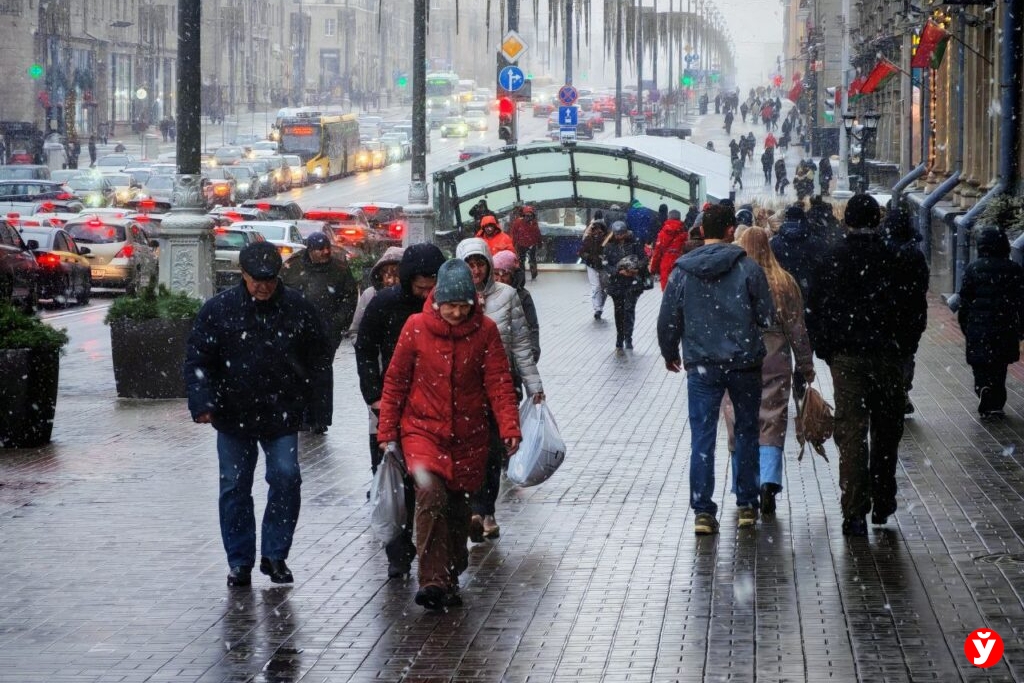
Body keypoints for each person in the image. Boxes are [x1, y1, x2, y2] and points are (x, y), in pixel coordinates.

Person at [184, 241, 334, 587]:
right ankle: (240, 561)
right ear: (243, 275)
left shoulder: (297, 308)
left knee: (286, 478)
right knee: (235, 486)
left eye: (269, 280)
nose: (263, 287)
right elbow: (198, 358)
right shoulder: (220, 310)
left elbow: (318, 359)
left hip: (281, 411)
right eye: (256, 280)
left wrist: (317, 408)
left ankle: (275, 554)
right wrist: (202, 402)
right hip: (233, 412)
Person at [376, 259, 521, 611]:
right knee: (430, 495)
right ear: (437, 300)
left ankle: (452, 570)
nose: (456, 313)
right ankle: (431, 579)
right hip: (422, 431)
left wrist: (509, 426)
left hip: (469, 436)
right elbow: (396, 381)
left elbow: (499, 382)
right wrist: (387, 430)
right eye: (450, 305)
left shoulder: (485, 332)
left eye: (463, 306)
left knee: (457, 507)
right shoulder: (415, 328)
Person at [805, 194, 927, 537]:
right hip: (888, 355)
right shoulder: (895, 260)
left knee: (852, 431)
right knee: (886, 429)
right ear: (877, 221)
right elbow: (914, 309)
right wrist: (904, 347)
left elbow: (815, 309)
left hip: (848, 358)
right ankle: (883, 500)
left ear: (847, 222)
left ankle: (855, 510)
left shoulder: (832, 259)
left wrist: (828, 349)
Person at [657, 205, 775, 535]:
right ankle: (747, 504)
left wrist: (670, 352)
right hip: (744, 363)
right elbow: (766, 315)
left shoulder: (682, 270)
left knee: (703, 437)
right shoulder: (748, 268)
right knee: (747, 431)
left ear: (701, 230)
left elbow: (668, 318)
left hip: (702, 364)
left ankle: (703, 511)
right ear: (729, 231)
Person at [355, 243, 446, 578]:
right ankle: (398, 551)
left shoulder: (446, 305)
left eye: (431, 287)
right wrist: (374, 396)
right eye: (420, 287)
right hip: (391, 405)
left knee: (431, 482)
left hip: (435, 406)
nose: (425, 294)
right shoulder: (384, 304)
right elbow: (365, 349)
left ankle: (435, 554)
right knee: (394, 481)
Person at [455, 238, 545, 541]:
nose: (475, 271)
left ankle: (486, 510)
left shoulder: (507, 295)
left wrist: (534, 385)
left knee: (493, 452)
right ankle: (472, 509)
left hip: (500, 384)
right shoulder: (452, 297)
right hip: (463, 388)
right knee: (467, 450)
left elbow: (520, 344)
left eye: (480, 264)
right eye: (469, 265)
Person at [724, 227, 815, 515]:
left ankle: (744, 485)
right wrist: (805, 364)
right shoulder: (783, 281)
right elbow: (797, 328)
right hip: (775, 357)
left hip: (738, 356)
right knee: (772, 420)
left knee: (738, 420)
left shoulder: (732, 278)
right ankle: (769, 481)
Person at [956, 228, 1024, 420]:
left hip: (979, 326)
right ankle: (996, 403)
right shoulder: (1014, 269)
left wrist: (966, 326)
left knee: (980, 363)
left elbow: (965, 301)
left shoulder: (974, 268)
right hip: (1005, 326)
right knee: (999, 367)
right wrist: (1020, 329)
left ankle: (983, 388)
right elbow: (1021, 301)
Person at [881, 201, 930, 415]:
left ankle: (890, 392)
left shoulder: (879, 252)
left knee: (887, 353)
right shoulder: (915, 255)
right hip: (910, 313)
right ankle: (902, 390)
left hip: (885, 313)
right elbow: (922, 285)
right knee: (907, 354)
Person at [279, 232, 358, 359]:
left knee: (322, 366)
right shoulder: (293, 266)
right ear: (310, 250)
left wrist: (337, 323)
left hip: (327, 333)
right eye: (320, 249)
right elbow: (279, 292)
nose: (326, 252)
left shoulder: (339, 269)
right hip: (296, 331)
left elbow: (350, 297)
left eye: (328, 247)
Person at [603, 221, 649, 353]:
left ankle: (628, 337)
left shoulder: (635, 243)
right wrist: (618, 271)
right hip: (616, 283)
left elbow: (643, 259)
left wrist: (635, 269)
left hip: (632, 283)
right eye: (617, 234)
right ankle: (620, 337)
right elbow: (605, 264)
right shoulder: (609, 246)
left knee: (629, 309)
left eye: (622, 234)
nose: (619, 236)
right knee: (619, 311)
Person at [492, 250, 540, 362]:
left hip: (515, 358)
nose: (499, 279)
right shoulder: (487, 294)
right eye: (496, 274)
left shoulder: (523, 296)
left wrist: (532, 354)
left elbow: (532, 327)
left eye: (504, 274)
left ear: (512, 274)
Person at [349, 246, 404, 337]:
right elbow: (355, 331)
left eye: (396, 275)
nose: (391, 280)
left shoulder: (414, 297)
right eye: (385, 273)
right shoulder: (369, 295)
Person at [578, 212, 610, 320]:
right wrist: (589, 257)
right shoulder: (589, 239)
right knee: (596, 286)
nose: (597, 232)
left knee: (605, 288)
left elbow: (611, 251)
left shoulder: (608, 240)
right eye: (595, 229)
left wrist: (605, 258)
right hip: (592, 265)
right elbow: (582, 252)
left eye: (599, 230)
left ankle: (600, 306)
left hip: (603, 266)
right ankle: (598, 308)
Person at [650, 209, 688, 291]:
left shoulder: (663, 233)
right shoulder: (684, 232)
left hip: (666, 263)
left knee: (667, 291)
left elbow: (657, 252)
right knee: (680, 291)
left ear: (669, 217)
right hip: (681, 263)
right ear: (679, 218)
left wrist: (653, 268)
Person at [509, 205, 542, 280]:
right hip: (521, 244)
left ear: (532, 216)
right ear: (523, 215)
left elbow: (537, 233)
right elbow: (514, 233)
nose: (528, 217)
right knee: (521, 261)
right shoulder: (518, 222)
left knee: (532, 260)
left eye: (530, 216)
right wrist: (513, 244)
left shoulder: (533, 223)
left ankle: (533, 274)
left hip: (531, 244)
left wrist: (539, 242)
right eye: (527, 216)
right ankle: (522, 275)